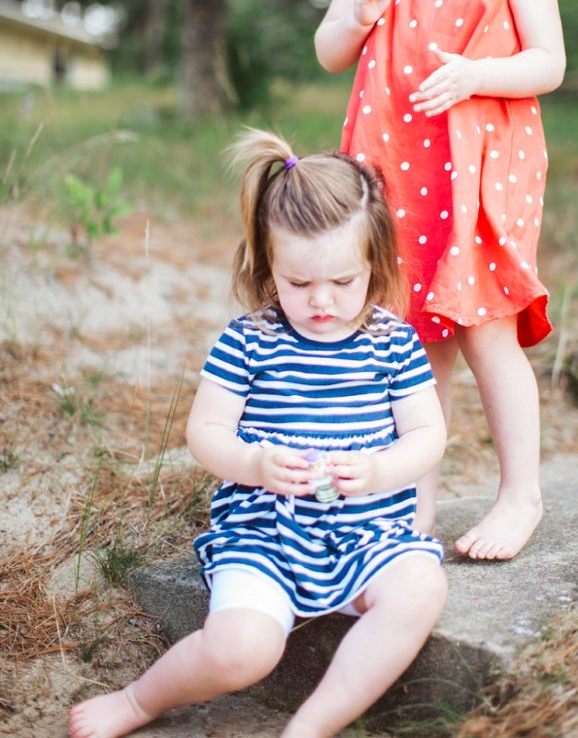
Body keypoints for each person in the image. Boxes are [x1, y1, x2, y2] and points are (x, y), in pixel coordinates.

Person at [69, 129, 447, 738]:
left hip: (368, 530)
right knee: (241, 650)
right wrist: (254, 463)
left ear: (373, 262)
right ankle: (140, 700)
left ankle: (312, 726)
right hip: (265, 534)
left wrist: (378, 471)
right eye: (299, 284)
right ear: (268, 263)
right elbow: (206, 432)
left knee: (421, 587)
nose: (322, 300)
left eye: (343, 282)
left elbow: (427, 434)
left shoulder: (392, 342)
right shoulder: (249, 340)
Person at [315, 0, 566, 561]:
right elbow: (328, 52)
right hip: (390, 171)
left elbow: (548, 63)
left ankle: (519, 494)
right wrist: (357, 14)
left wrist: (475, 76)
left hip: (481, 175)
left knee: (486, 329)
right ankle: (412, 505)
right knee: (411, 345)